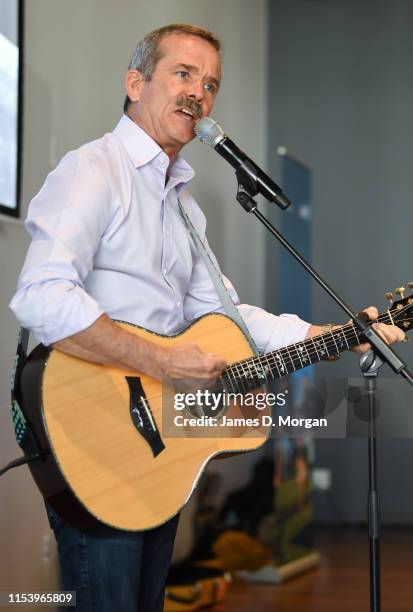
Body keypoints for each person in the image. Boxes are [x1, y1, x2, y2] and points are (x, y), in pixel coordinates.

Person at [9, 23, 404, 612]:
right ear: (135, 82)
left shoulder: (184, 204)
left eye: (211, 83)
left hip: (160, 446)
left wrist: (332, 336)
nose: (199, 93)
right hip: (90, 426)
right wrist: (163, 359)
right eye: (184, 74)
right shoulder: (93, 170)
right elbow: (40, 298)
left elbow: (227, 316)